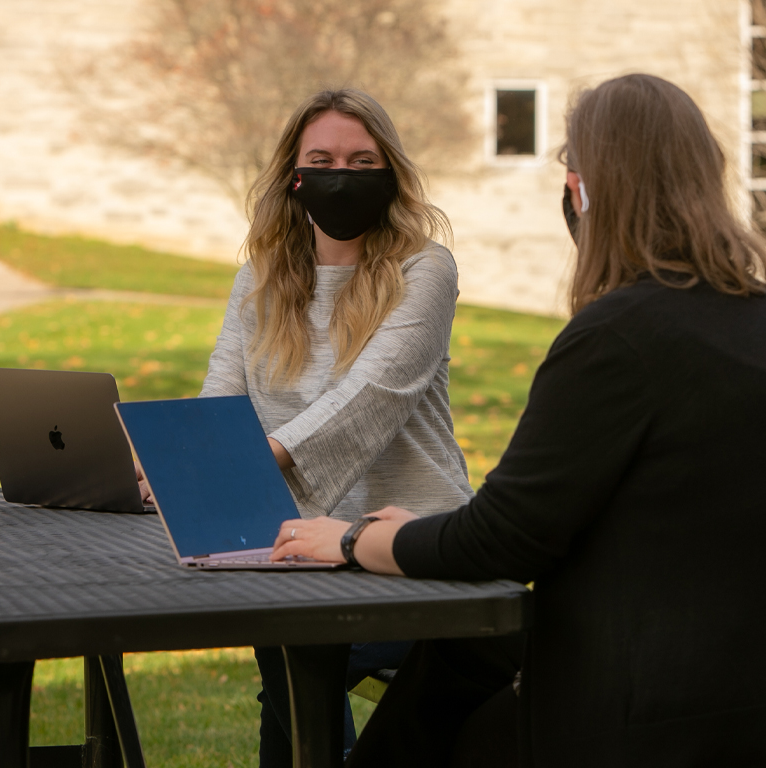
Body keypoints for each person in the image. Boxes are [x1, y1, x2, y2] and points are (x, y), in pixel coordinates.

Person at [271, 73, 766, 767]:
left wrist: (353, 541)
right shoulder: (750, 320)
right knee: (465, 657)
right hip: (737, 694)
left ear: (589, 193)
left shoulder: (615, 340)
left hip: (635, 714)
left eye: (571, 174)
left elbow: (503, 539)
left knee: (446, 706)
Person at [197, 88, 474, 766]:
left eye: (361, 161)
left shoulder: (424, 271)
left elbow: (366, 400)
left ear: (390, 174)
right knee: (292, 664)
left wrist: (245, 460)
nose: (339, 176)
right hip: (296, 549)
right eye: (320, 159)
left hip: (411, 549)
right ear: (293, 176)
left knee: (297, 663)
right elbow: (218, 407)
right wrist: (182, 461)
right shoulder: (258, 281)